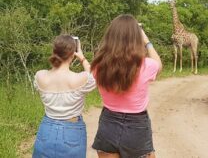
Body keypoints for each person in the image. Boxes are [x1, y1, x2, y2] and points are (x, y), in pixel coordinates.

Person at [91, 14, 162, 158]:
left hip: (108, 123)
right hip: (137, 126)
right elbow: (159, 64)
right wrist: (147, 41)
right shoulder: (146, 65)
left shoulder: (98, 66)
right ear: (137, 38)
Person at [32, 35, 95, 158]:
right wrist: (82, 57)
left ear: (54, 51)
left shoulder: (40, 76)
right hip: (72, 131)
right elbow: (92, 76)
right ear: (72, 54)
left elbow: (52, 73)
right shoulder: (80, 78)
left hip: (46, 128)